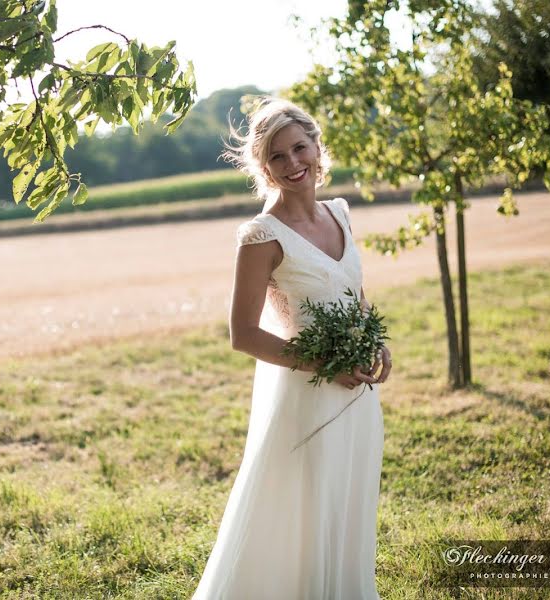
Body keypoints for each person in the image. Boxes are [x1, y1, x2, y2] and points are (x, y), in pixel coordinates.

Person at [191, 98, 393, 599]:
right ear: (263, 168)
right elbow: (244, 333)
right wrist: (325, 363)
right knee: (301, 516)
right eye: (277, 157)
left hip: (358, 397)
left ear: (317, 147)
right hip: (306, 398)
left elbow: (353, 293)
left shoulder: (340, 214)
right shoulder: (261, 236)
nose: (292, 163)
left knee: (347, 506)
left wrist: (375, 339)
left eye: (299, 148)